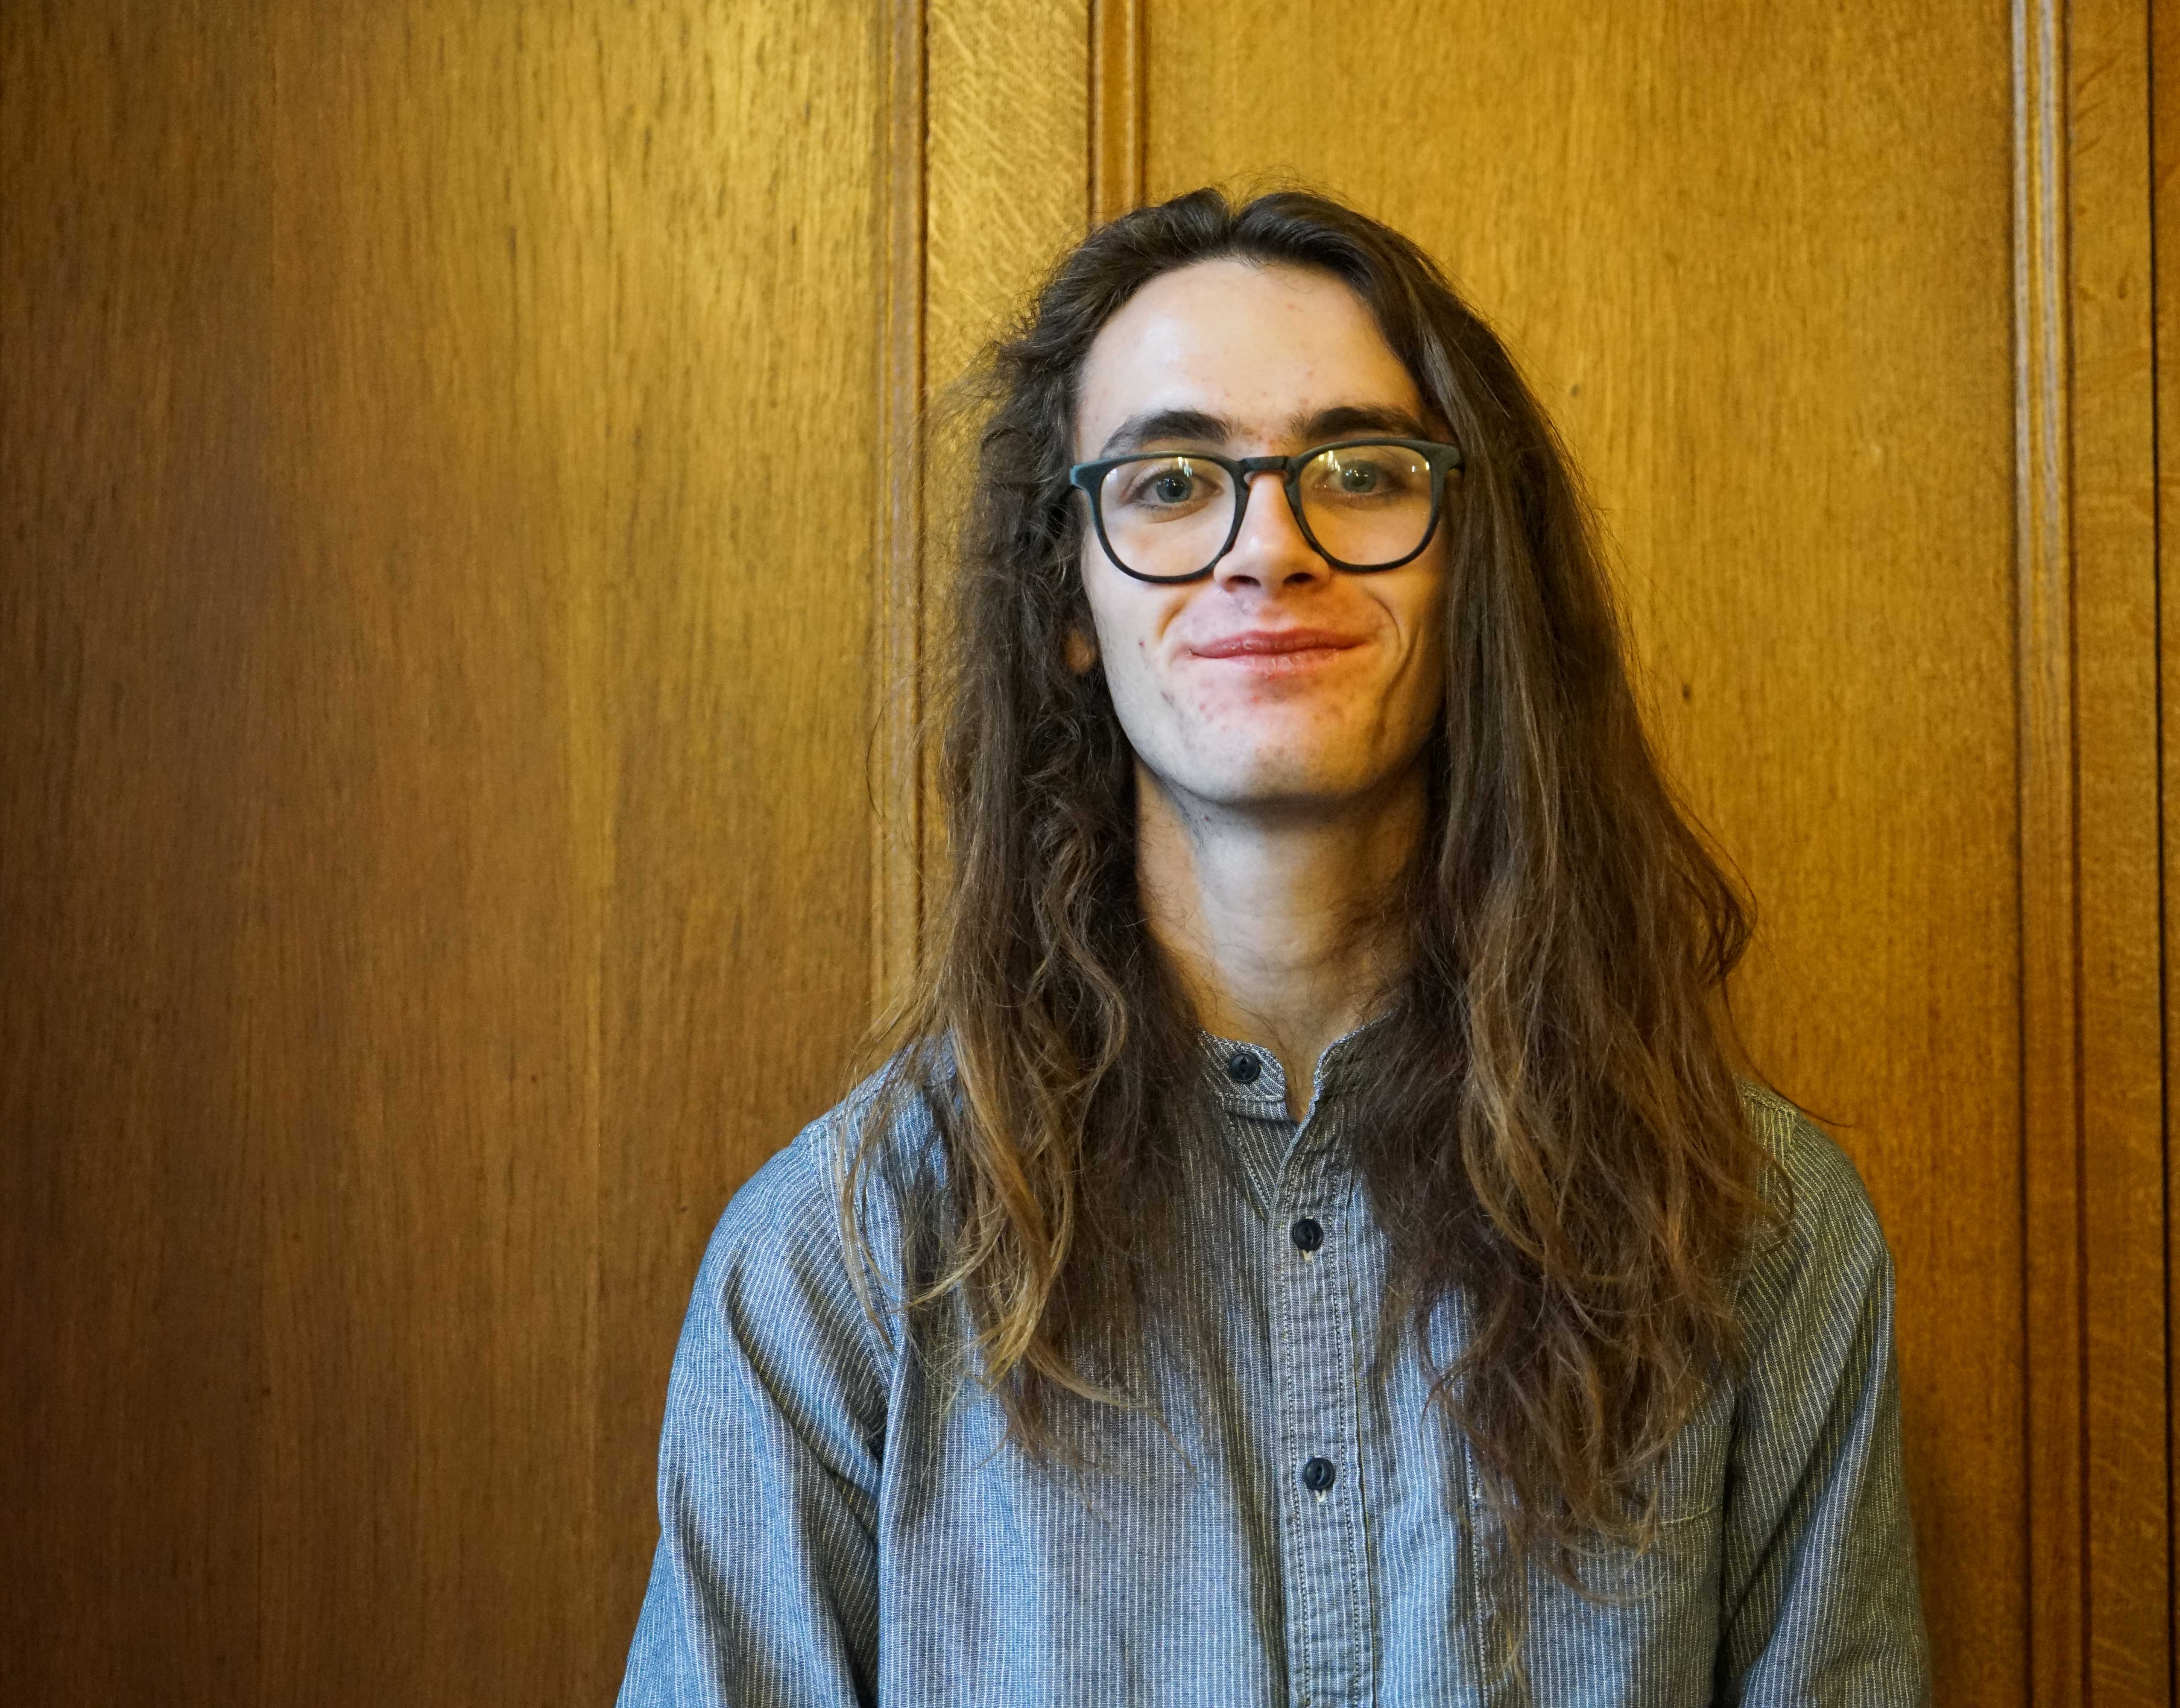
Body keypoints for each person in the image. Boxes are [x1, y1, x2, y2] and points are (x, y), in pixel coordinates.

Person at [617, 187, 1928, 1706]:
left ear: (1474, 573)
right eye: (1172, 482)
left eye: (1361, 471)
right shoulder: (837, 1268)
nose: (1269, 547)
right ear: (1070, 600)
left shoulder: (1757, 1239)